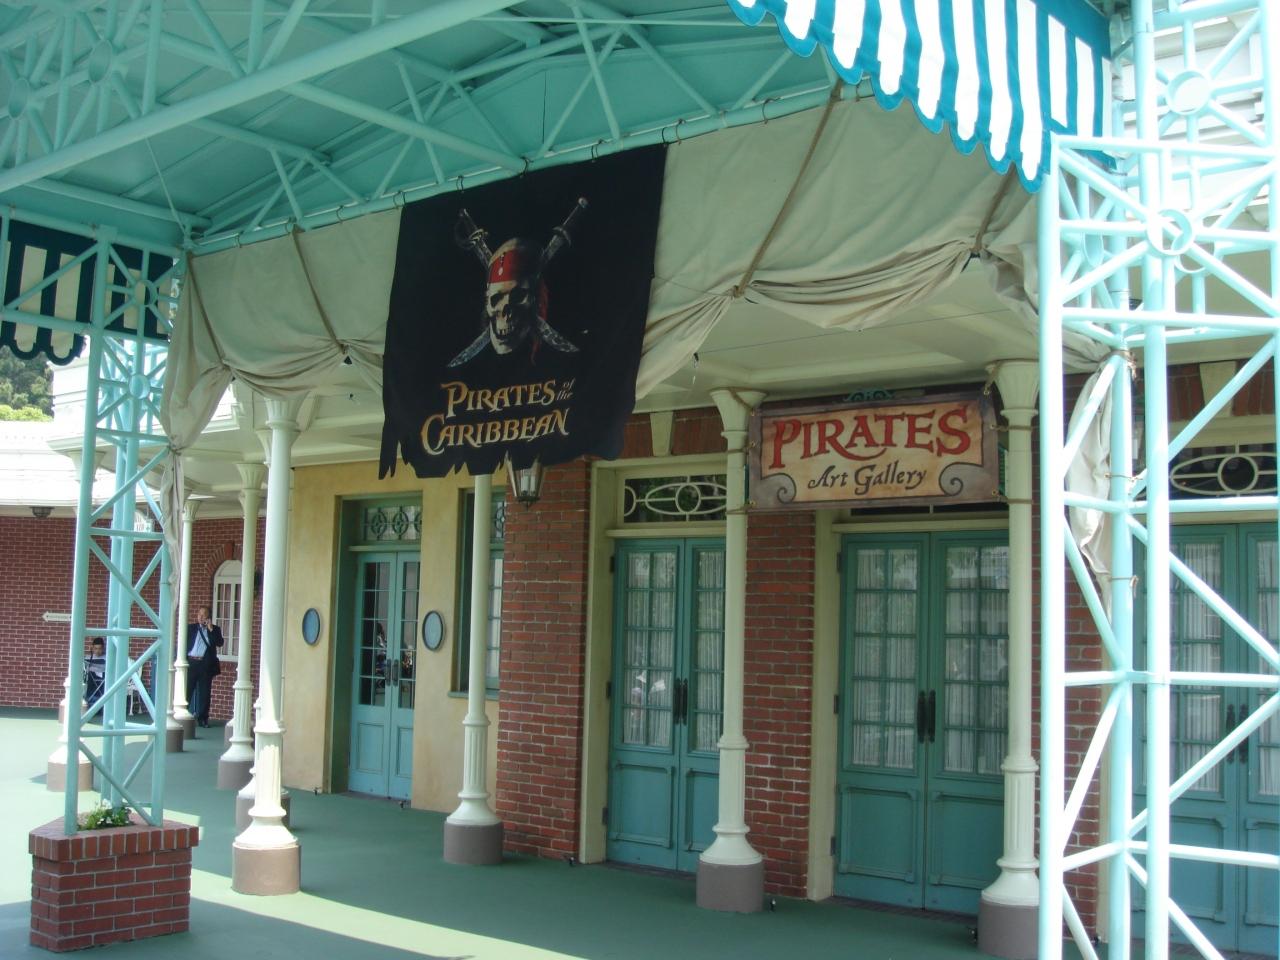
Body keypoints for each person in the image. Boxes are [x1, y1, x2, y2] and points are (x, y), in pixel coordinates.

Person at [185, 605, 223, 728]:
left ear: (209, 617)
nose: (201, 617)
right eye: (199, 614)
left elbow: (219, 643)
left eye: (204, 615)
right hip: (191, 662)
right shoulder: (191, 628)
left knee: (204, 693)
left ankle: (202, 719)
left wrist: (210, 629)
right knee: (186, 691)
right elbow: (182, 643)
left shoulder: (215, 629)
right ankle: (183, 715)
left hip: (205, 664)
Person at [84, 637, 106, 713]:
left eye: (100, 648)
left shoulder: (107, 657)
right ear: (92, 648)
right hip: (91, 679)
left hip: (103, 679)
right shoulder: (88, 657)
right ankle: (90, 702)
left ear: (103, 648)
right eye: (95, 648)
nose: (97, 651)